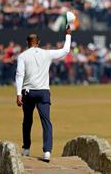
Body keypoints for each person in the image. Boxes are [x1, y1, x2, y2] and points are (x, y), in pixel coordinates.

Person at [15, 25, 72, 160]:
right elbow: (65, 51)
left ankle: (26, 149)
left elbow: (19, 74)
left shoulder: (22, 56)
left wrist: (18, 94)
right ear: (38, 42)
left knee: (27, 121)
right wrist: (68, 34)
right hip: (43, 92)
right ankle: (47, 151)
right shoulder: (46, 53)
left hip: (27, 92)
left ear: (27, 43)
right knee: (46, 121)